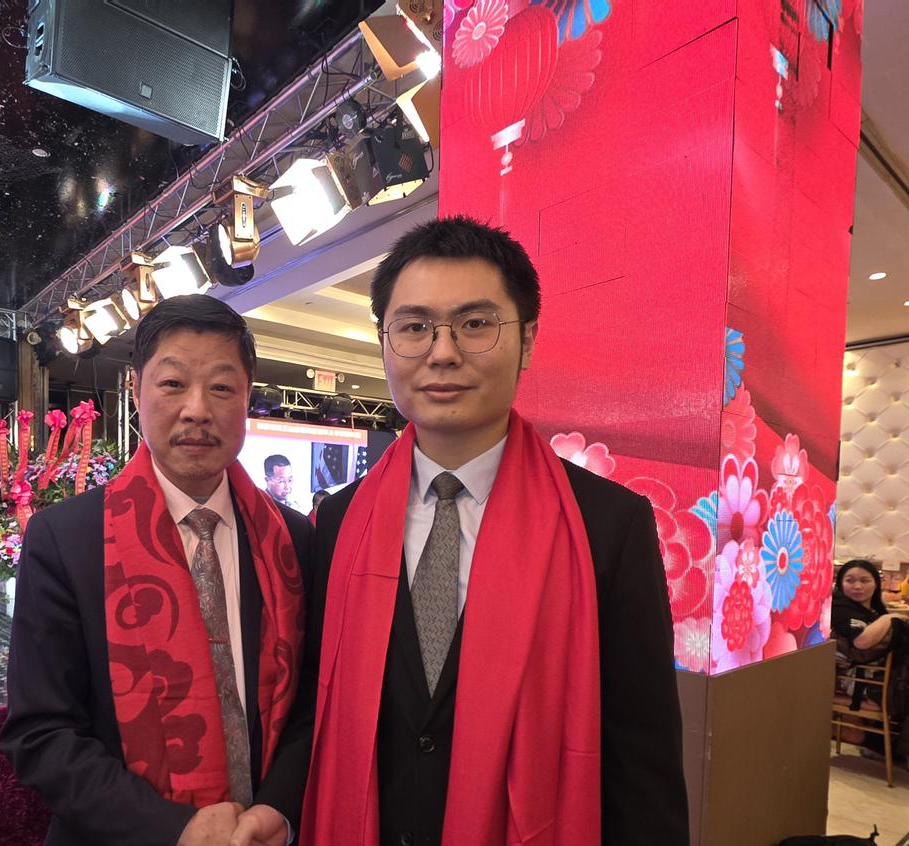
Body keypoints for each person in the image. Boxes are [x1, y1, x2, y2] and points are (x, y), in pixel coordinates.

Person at [234, 216, 689, 846]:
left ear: (527, 339)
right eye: (415, 327)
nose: (442, 353)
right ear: (385, 342)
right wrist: (280, 807)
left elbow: (642, 761)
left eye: (475, 324)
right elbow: (319, 698)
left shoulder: (608, 526)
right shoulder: (339, 520)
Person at [0, 295, 311, 846]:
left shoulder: (292, 539)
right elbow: (42, 732)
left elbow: (313, 703)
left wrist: (279, 809)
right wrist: (174, 830)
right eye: (172, 384)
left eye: (222, 387)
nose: (197, 410)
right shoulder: (66, 539)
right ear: (135, 390)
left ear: (247, 397)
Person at [831, 559, 909, 762]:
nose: (857, 586)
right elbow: (861, 641)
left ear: (876, 583)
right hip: (859, 680)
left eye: (864, 580)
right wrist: (889, 618)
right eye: (850, 580)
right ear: (841, 583)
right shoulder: (840, 608)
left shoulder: (872, 610)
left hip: (880, 678)